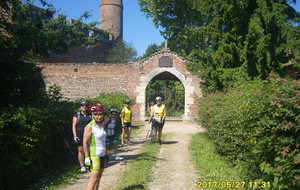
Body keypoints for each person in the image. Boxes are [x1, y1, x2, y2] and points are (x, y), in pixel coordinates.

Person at [83, 104, 109, 190]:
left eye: (100, 114)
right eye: (96, 114)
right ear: (93, 115)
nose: (99, 116)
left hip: (102, 155)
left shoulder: (101, 125)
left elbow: (103, 142)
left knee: (98, 178)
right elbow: (85, 143)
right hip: (95, 156)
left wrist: (106, 155)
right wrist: (87, 157)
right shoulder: (90, 127)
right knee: (93, 179)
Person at [72, 100, 92, 172]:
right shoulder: (77, 115)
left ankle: (89, 163)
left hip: (89, 134)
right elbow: (74, 126)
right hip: (80, 134)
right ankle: (82, 166)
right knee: (80, 150)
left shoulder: (90, 114)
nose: (84, 107)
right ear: (80, 107)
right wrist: (75, 136)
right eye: (83, 105)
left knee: (90, 149)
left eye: (86, 105)